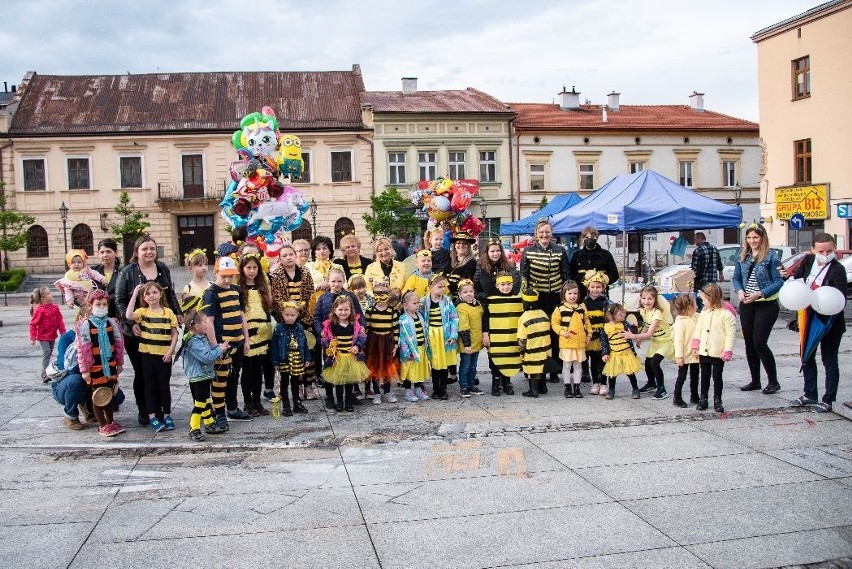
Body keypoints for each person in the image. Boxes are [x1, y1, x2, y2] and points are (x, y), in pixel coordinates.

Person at [115, 235, 182, 426]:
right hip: (137, 334)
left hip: (160, 330)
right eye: (145, 249)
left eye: (152, 248)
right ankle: (145, 410)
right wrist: (130, 325)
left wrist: (177, 313)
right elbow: (120, 301)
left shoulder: (162, 268)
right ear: (136, 252)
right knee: (143, 373)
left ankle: (162, 409)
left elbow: (170, 294)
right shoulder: (127, 272)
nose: (149, 252)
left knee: (161, 373)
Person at [790, 233, 846, 413]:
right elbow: (797, 284)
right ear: (813, 250)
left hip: (830, 320)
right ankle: (809, 393)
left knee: (829, 359)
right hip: (807, 316)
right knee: (807, 357)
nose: (826, 253)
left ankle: (828, 399)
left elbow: (840, 297)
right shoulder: (807, 262)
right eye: (821, 251)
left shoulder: (837, 269)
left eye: (830, 250)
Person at [731, 223, 784, 394]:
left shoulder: (771, 256)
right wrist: (740, 291)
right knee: (749, 343)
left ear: (762, 238)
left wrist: (760, 294)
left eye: (755, 237)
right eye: (749, 238)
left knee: (760, 342)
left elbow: (778, 282)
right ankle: (755, 380)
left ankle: (773, 381)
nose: (752, 241)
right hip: (747, 304)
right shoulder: (743, 256)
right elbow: (737, 278)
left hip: (766, 304)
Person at [203, 256, 252, 428]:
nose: (227, 279)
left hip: (237, 342)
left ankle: (232, 408)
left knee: (233, 376)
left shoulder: (236, 290)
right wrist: (215, 346)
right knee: (219, 380)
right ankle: (219, 413)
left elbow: (241, 315)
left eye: (230, 276)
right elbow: (208, 322)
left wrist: (246, 339)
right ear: (216, 272)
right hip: (222, 344)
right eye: (223, 276)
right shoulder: (211, 293)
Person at [125, 281, 179, 432]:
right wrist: (135, 293)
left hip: (164, 356)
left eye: (154, 292)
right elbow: (129, 315)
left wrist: (170, 351)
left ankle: (167, 414)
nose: (151, 296)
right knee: (150, 387)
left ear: (160, 294)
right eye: (147, 294)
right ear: (144, 297)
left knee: (164, 386)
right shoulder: (143, 312)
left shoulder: (168, 312)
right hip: (148, 356)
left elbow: (174, 333)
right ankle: (152, 417)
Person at [522, 220, 571, 382]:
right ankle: (535, 367)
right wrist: (526, 299)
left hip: (555, 296)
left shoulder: (560, 250)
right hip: (537, 298)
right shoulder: (528, 251)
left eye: (547, 232)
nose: (544, 235)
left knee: (554, 332)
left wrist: (565, 297)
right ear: (536, 234)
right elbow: (524, 276)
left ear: (552, 233)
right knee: (537, 333)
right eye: (541, 232)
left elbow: (565, 274)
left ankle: (554, 369)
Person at [269, 244, 317, 400]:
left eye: (291, 254)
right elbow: (277, 299)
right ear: (280, 259)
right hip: (287, 318)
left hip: (304, 317)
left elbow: (311, 293)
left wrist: (302, 310)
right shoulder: (276, 275)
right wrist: (288, 313)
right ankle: (291, 387)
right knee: (290, 353)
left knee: (308, 350)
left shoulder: (304, 272)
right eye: (285, 255)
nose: (289, 257)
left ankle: (308, 386)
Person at [78, 290, 126, 437]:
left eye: (104, 304)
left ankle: (110, 421)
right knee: (98, 395)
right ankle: (102, 424)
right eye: (98, 304)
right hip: (94, 366)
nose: (101, 307)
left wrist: (119, 362)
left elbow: (118, 343)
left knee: (109, 394)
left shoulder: (112, 322)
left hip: (110, 365)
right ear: (91, 306)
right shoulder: (85, 325)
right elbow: (82, 349)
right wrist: (85, 369)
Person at [180, 307, 228, 442]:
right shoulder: (194, 341)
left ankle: (209, 423)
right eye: (205, 322)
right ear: (196, 326)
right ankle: (194, 428)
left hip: (204, 375)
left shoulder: (200, 338)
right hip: (199, 377)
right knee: (200, 404)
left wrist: (217, 347)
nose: (208, 324)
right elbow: (206, 357)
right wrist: (219, 349)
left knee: (206, 401)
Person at [623, 286, 675, 400]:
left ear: (655, 299)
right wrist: (639, 338)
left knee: (655, 363)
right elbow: (647, 325)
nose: (647, 301)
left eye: (650, 299)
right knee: (648, 363)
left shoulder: (657, 313)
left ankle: (662, 389)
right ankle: (651, 383)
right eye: (644, 298)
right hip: (656, 342)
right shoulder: (643, 310)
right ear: (640, 299)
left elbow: (649, 334)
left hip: (665, 341)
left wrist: (633, 336)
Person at [238, 252, 274, 417]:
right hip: (247, 332)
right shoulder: (239, 288)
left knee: (258, 369)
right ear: (242, 268)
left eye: (254, 267)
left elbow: (267, 309)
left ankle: (257, 401)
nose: (251, 271)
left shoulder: (262, 286)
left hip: (261, 332)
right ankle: (247, 401)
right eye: (248, 267)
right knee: (248, 369)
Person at [691, 283, 736, 412]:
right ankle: (703, 399)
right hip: (704, 351)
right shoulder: (704, 313)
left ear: (712, 298)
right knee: (704, 376)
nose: (703, 302)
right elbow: (698, 329)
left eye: (704, 300)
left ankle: (718, 399)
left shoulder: (726, 314)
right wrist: (695, 344)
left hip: (718, 352)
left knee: (717, 377)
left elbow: (730, 334)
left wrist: (727, 350)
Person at [320, 296, 370, 412]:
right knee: (338, 382)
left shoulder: (355, 324)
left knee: (349, 382)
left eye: (346, 310)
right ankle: (339, 403)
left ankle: (348, 403)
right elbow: (325, 340)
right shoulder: (330, 325)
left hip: (350, 358)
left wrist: (357, 346)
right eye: (340, 310)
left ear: (351, 310)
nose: (343, 312)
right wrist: (326, 341)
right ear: (335, 310)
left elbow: (362, 337)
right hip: (337, 358)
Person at [483, 271, 523, 397]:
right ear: (497, 286)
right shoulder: (490, 301)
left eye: (509, 284)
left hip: (512, 337)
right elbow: (485, 318)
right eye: (503, 284)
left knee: (510, 359)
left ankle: (506, 383)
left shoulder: (518, 299)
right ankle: (495, 385)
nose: (506, 287)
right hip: (496, 337)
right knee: (495, 361)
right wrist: (485, 334)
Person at [270, 302, 311, 416]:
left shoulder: (300, 327)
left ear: (297, 315)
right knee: (284, 382)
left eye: (292, 315)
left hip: (297, 358)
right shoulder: (279, 328)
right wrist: (275, 361)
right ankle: (286, 405)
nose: (289, 317)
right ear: (282, 314)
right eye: (287, 315)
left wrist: (307, 357)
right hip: (284, 358)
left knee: (295, 381)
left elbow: (305, 344)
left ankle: (297, 403)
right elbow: (274, 346)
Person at [551, 280, 591, 399]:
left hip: (580, 342)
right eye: (569, 294)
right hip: (567, 342)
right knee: (567, 365)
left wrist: (589, 335)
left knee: (578, 365)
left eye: (575, 293)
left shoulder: (582, 307)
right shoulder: (560, 308)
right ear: (564, 294)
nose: (572, 296)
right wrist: (562, 332)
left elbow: (587, 322)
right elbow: (554, 323)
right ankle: (567, 387)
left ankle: (577, 387)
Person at [421, 274, 459, 400]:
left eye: (444, 287)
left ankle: (442, 390)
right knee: (435, 364)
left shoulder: (447, 301)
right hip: (431, 336)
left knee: (444, 364)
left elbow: (454, 318)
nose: (443, 289)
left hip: (444, 335)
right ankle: (435, 389)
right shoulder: (424, 302)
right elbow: (419, 318)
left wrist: (453, 335)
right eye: (440, 287)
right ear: (431, 287)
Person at [364, 281, 400, 404]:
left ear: (388, 295)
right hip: (374, 342)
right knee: (374, 367)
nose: (380, 298)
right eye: (377, 294)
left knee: (387, 366)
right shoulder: (370, 311)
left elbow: (395, 329)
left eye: (383, 294)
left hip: (387, 341)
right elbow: (367, 328)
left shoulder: (392, 311)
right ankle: (376, 393)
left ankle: (388, 391)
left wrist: (395, 345)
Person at [600, 303, 643, 400]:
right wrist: (605, 353)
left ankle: (635, 389)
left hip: (627, 353)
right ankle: (611, 390)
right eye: (620, 314)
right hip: (614, 354)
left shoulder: (625, 324)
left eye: (624, 313)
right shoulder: (605, 327)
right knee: (612, 374)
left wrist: (634, 327)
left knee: (630, 372)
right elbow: (604, 342)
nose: (623, 315)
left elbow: (632, 332)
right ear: (612, 316)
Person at [517, 289, 552, 398]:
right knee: (542, 368)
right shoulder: (543, 313)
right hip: (545, 348)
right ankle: (543, 387)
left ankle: (533, 391)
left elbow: (522, 339)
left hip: (532, 350)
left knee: (533, 370)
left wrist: (522, 352)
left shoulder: (524, 317)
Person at [569, 226, 619, 299]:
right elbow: (571, 275)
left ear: (597, 237)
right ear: (582, 239)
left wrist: (605, 279)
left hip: (601, 295)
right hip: (581, 295)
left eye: (592, 236)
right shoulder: (576, 255)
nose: (589, 239)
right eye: (586, 237)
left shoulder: (606, 254)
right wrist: (583, 279)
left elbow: (615, 274)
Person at [398, 291, 431, 402]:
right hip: (409, 351)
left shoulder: (420, 316)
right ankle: (408, 391)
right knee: (409, 371)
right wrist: (407, 353)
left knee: (419, 370)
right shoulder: (403, 319)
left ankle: (418, 389)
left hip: (420, 349)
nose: (417, 305)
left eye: (418, 303)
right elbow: (402, 338)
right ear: (405, 305)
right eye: (414, 303)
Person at [583, 270, 611, 395]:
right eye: (592, 287)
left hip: (602, 336)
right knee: (593, 362)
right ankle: (596, 383)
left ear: (603, 288)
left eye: (598, 287)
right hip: (590, 335)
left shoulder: (606, 302)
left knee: (603, 360)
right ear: (588, 287)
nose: (595, 289)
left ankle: (604, 383)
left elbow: (609, 318)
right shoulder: (584, 303)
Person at [455, 279, 485, 397]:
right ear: (460, 294)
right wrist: (467, 344)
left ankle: (471, 384)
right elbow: (463, 327)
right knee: (465, 365)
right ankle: (464, 386)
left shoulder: (477, 304)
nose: (469, 294)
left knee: (473, 366)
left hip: (476, 341)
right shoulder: (461, 307)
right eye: (465, 292)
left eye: (471, 291)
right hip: (467, 343)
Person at [30, 286, 66, 383]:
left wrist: (63, 333)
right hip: (43, 337)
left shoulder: (55, 307)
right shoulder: (39, 310)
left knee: (49, 353)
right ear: (43, 298)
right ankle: (45, 374)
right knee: (46, 353)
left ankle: (48, 372)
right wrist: (32, 338)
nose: (52, 294)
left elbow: (60, 321)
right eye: (49, 293)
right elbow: (33, 324)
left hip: (52, 336)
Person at [670, 293, 700, 408]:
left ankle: (694, 395)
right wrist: (679, 356)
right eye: (695, 304)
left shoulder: (695, 317)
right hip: (684, 355)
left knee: (695, 375)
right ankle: (677, 397)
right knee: (681, 376)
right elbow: (678, 341)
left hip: (695, 354)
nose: (697, 306)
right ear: (688, 307)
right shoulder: (680, 323)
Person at [473, 238, 521, 304]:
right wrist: (486, 297)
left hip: (508, 305)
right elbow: (475, 291)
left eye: (498, 250)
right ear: (487, 253)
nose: (495, 254)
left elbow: (516, 288)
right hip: (488, 307)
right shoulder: (481, 270)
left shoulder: (510, 268)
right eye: (492, 251)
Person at [90, 238, 121, 317]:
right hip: (95, 317)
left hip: (116, 316)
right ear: (98, 254)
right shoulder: (92, 272)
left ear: (116, 253)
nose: (105, 255)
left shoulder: (123, 273)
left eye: (108, 251)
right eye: (102, 252)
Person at [446, 231, 478, 298]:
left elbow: (463, 282)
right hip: (446, 298)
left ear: (468, 246)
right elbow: (443, 276)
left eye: (464, 243)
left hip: (460, 299)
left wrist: (445, 288)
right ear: (455, 245)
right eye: (458, 243)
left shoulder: (472, 262)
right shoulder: (449, 259)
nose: (461, 245)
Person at [181, 248, 212, 314]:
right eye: (200, 265)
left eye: (206, 264)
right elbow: (188, 313)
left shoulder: (212, 285)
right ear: (191, 268)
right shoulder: (188, 289)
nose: (204, 268)